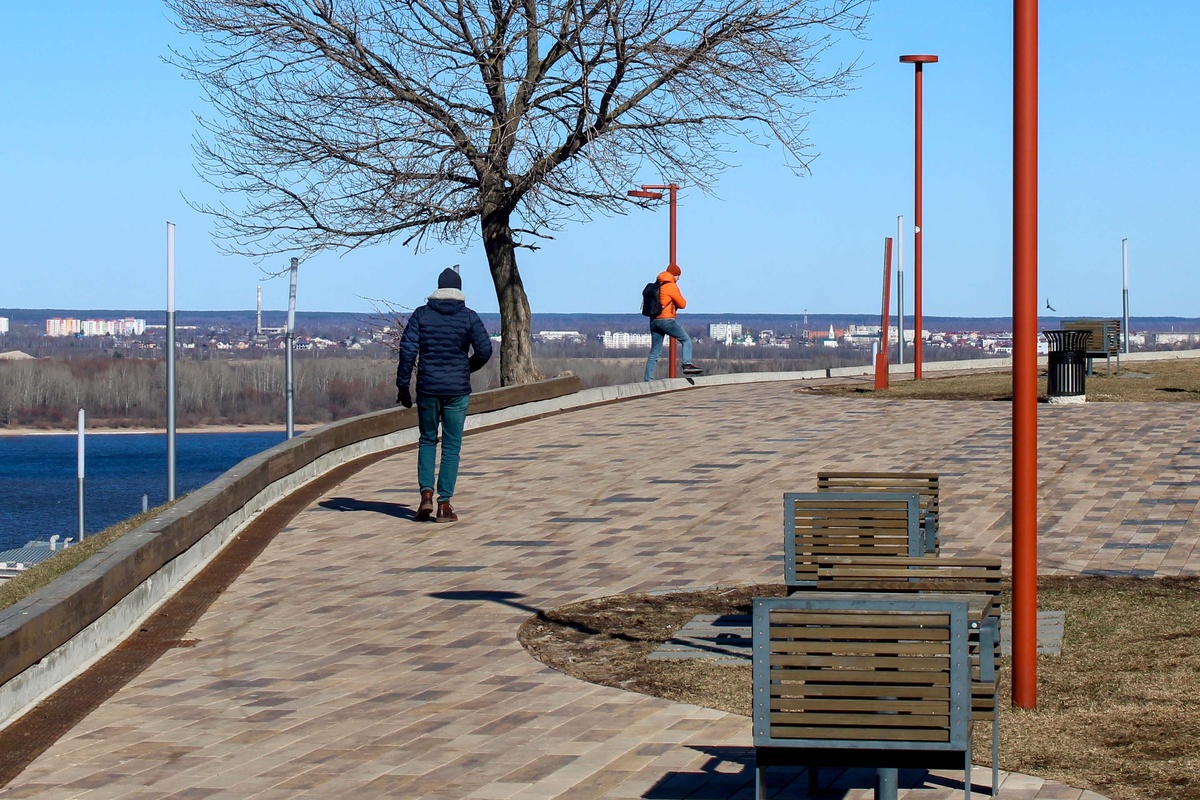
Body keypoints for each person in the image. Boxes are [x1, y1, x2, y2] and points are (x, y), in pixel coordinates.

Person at [396, 266, 493, 523]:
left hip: (427, 387)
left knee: (427, 440)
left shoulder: (421, 315)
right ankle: (444, 504)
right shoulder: (469, 317)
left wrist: (403, 387)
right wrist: (465, 368)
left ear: (437, 290)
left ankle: (426, 494)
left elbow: (407, 352)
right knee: (451, 445)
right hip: (457, 390)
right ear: (458, 291)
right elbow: (485, 350)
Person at [644, 263, 703, 381]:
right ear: (674, 275)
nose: (679, 278)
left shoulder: (657, 284)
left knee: (655, 352)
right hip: (666, 320)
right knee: (686, 340)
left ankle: (647, 380)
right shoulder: (671, 286)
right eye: (678, 275)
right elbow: (683, 304)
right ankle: (687, 364)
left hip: (653, 321)